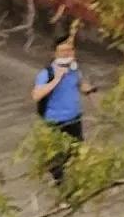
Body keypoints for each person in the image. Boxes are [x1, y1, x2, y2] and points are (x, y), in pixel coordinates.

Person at [32, 33, 85, 185]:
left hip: (74, 118)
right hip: (55, 121)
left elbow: (79, 84)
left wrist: (88, 88)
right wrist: (57, 79)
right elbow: (36, 95)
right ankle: (59, 183)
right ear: (55, 54)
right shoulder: (46, 73)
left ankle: (76, 180)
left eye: (70, 50)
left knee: (77, 150)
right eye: (63, 51)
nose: (67, 54)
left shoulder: (75, 70)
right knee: (56, 154)